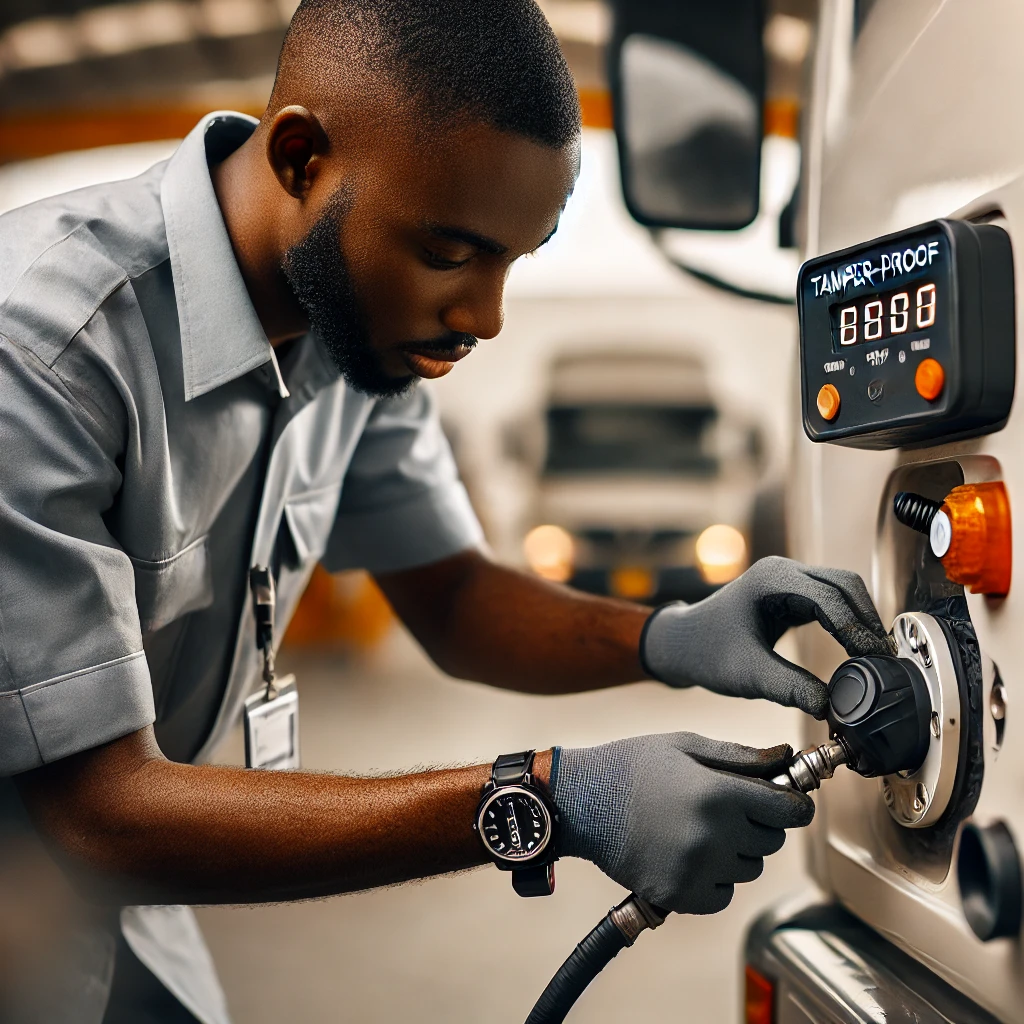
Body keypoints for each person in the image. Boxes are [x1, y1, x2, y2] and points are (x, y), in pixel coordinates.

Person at [0, 1, 892, 1021]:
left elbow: (457, 599)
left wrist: (671, 635)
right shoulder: (42, 352)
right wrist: (547, 798)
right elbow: (98, 816)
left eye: (518, 257)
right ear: (301, 159)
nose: (486, 316)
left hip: (130, 937)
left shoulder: (350, 331)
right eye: (450, 252)